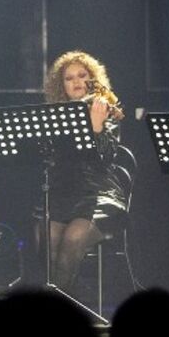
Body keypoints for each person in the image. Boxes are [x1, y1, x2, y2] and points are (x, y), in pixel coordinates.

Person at [40, 50, 128, 291]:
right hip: (64, 194)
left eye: (82, 75)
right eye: (69, 78)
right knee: (46, 240)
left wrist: (97, 128)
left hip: (99, 196)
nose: (77, 82)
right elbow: (39, 157)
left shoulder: (106, 111)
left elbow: (106, 159)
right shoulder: (54, 117)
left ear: (93, 79)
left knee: (74, 238)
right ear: (62, 85)